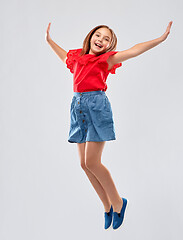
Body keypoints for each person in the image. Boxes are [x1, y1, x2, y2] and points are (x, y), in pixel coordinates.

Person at [45, 21, 173, 230]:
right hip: (78, 108)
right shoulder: (76, 58)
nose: (101, 40)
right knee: (84, 164)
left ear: (108, 46)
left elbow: (134, 50)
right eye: (98, 35)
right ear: (90, 36)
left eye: (106, 39)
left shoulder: (107, 60)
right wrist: (49, 40)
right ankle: (107, 206)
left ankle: (119, 202)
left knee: (93, 162)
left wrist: (160, 38)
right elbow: (62, 55)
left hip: (96, 107)